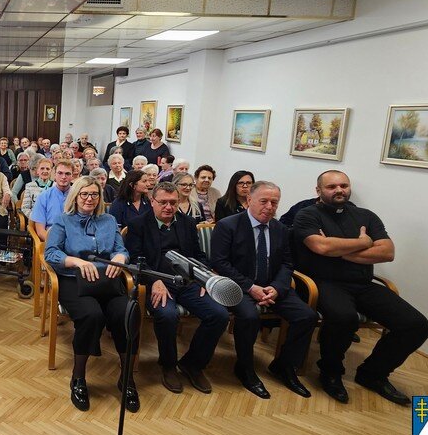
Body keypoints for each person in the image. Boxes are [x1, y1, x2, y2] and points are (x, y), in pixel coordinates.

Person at [292, 170, 428, 405]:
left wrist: (340, 252)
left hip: (363, 284)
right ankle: (331, 371)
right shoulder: (307, 215)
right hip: (323, 283)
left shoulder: (366, 216)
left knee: (416, 325)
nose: (339, 190)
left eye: (343, 185)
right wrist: (363, 243)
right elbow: (322, 247)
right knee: (344, 318)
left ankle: (373, 374)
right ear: (318, 191)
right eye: (331, 186)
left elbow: (387, 252)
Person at [210, 182, 317, 399]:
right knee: (248, 317)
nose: (269, 207)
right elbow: (220, 263)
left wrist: (276, 288)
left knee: (307, 316)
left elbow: (288, 263)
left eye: (274, 202)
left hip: (272, 288)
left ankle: (283, 366)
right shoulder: (228, 225)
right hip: (239, 287)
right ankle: (245, 368)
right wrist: (251, 287)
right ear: (249, 200)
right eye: (264, 201)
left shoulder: (280, 229)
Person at [125, 182, 229, 395]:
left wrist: (204, 279)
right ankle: (169, 365)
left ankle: (192, 364)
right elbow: (135, 260)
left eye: (173, 202)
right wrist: (154, 280)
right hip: (157, 282)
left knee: (219, 314)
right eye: (163, 202)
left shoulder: (187, 223)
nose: (168, 207)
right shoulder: (138, 224)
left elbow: (198, 256)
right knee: (167, 315)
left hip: (188, 282)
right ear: (152, 202)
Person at [44, 177, 135, 413]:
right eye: (84, 194)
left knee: (127, 313)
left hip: (108, 281)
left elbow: (121, 249)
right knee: (92, 315)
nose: (89, 199)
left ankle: (126, 379)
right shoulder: (63, 221)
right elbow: (51, 253)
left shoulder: (109, 220)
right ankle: (78, 378)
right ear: (76, 196)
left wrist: (120, 258)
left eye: (94, 194)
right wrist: (76, 262)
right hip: (74, 281)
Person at [30, 160, 74, 242]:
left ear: (72, 176)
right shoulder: (43, 197)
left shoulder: (78, 196)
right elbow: (40, 231)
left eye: (67, 174)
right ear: (54, 175)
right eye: (60, 173)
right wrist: (56, 243)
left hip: (74, 239)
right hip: (51, 238)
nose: (63, 177)